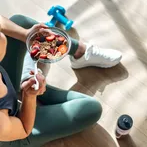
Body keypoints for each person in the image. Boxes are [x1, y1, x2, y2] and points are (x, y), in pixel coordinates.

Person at [0, 14, 122, 147]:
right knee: (90, 108)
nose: (4, 88)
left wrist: (25, 34)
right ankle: (30, 85)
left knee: (21, 23)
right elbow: (23, 129)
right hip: (15, 130)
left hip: (6, 108)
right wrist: (29, 95)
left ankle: (79, 52)